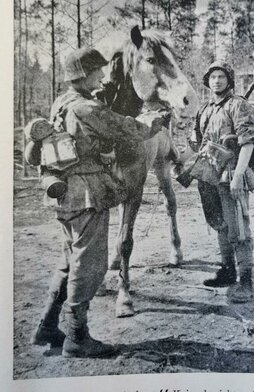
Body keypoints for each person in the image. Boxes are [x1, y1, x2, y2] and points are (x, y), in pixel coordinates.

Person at [30, 47, 167, 357]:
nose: (103, 77)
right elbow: (129, 130)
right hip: (86, 194)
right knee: (90, 265)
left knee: (69, 261)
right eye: (97, 72)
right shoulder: (85, 108)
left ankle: (47, 326)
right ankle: (77, 338)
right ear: (83, 75)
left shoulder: (61, 103)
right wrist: (154, 121)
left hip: (65, 194)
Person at [190, 61, 254, 303]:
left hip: (231, 173)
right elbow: (196, 141)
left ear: (229, 80)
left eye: (221, 77)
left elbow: (248, 141)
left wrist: (239, 175)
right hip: (209, 174)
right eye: (212, 77)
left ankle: (246, 281)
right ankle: (227, 271)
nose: (216, 81)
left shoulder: (238, 105)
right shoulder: (205, 108)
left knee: (238, 226)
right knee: (219, 224)